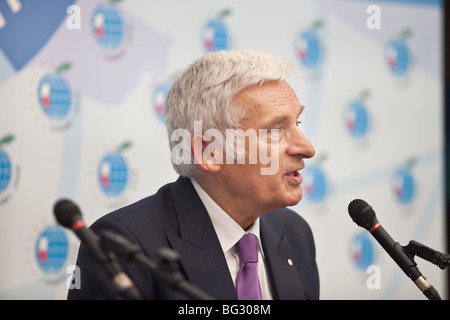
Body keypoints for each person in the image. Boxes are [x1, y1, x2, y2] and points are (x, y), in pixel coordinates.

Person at [68, 50, 319, 300]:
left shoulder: (294, 232)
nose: (307, 148)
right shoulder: (124, 247)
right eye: (275, 130)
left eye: (297, 123)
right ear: (209, 151)